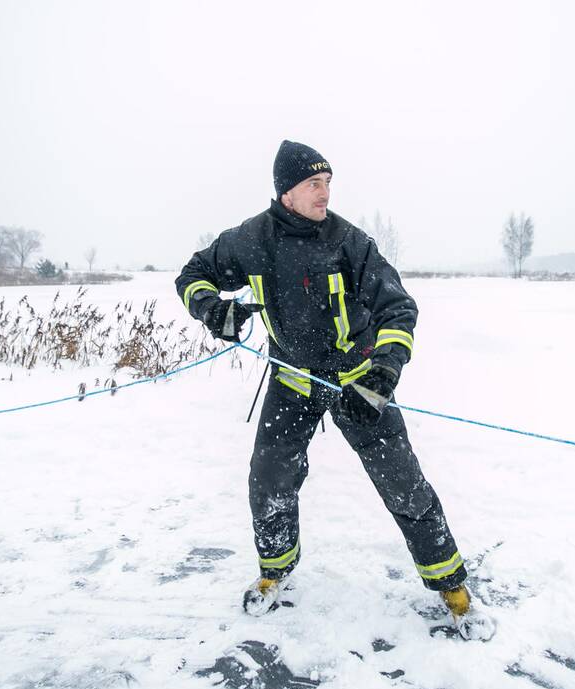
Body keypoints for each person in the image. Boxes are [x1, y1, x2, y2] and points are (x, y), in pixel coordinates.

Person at [174, 140, 494, 640]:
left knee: (403, 482)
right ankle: (274, 571)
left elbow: (397, 308)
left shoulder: (349, 241)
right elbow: (193, 275)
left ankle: (451, 587)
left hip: (357, 382)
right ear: (286, 194)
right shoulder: (249, 240)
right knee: (269, 479)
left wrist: (384, 370)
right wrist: (214, 308)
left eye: (328, 184)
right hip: (292, 381)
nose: (324, 194)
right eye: (313, 185)